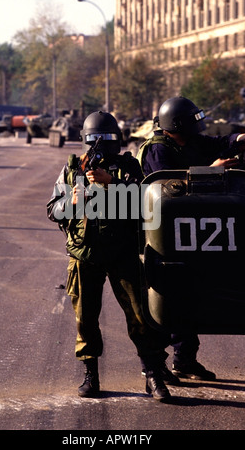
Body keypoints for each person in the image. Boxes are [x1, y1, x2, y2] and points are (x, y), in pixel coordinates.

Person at [47, 110, 175, 402]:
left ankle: (152, 374)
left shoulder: (130, 168)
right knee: (85, 319)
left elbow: (148, 205)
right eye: (94, 141)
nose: (99, 148)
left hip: (123, 253)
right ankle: (90, 375)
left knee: (141, 317)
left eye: (105, 141)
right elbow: (52, 209)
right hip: (83, 254)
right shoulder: (72, 169)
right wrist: (71, 200)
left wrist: (112, 184)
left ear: (116, 141)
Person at [137, 96, 245, 380]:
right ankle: (155, 367)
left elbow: (221, 143)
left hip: (191, 231)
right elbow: (166, 188)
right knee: (164, 299)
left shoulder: (190, 141)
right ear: (175, 125)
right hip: (162, 235)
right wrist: (213, 170)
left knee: (188, 294)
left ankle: (184, 361)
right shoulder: (157, 150)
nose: (198, 128)